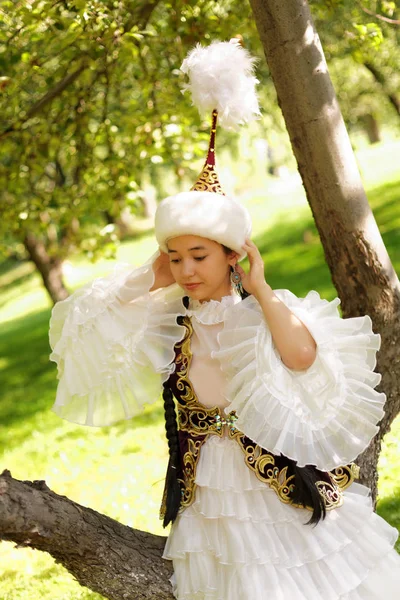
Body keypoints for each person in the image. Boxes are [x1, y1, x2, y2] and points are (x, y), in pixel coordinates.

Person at [49, 38, 400, 599]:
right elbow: (80, 333)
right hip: (209, 496)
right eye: (176, 255)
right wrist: (147, 277)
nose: (187, 270)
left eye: (200, 256)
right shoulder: (167, 319)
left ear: (232, 255)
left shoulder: (259, 313)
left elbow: (303, 358)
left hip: (276, 493)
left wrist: (260, 290)